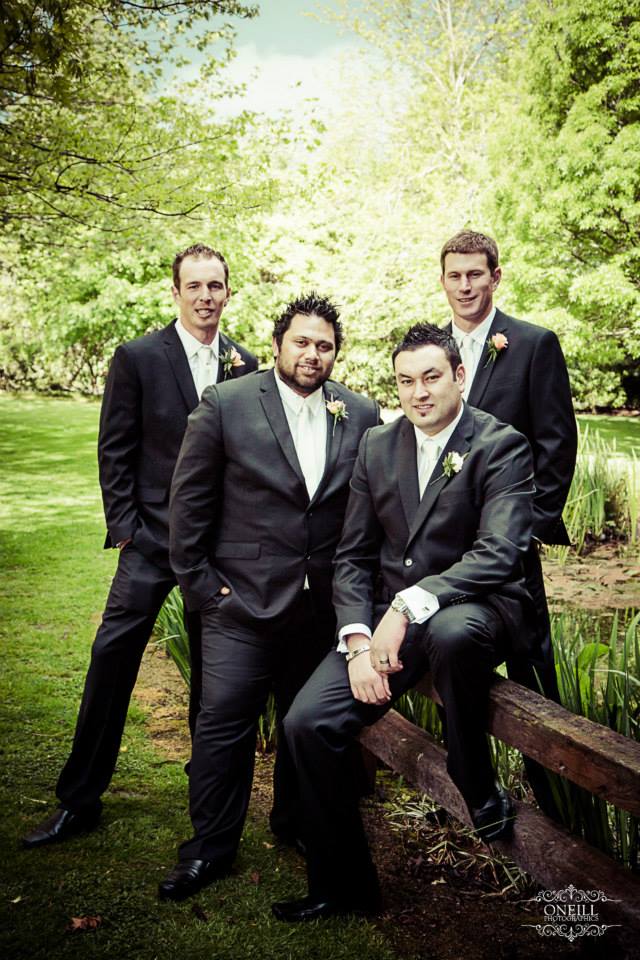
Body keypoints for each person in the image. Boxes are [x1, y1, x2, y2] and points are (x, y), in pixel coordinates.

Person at [273, 323, 535, 922]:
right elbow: (353, 556)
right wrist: (357, 641)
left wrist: (405, 605)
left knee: (450, 630)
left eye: (432, 377)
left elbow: (499, 552)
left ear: (459, 376)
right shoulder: (377, 445)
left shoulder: (502, 445)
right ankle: (343, 886)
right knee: (306, 723)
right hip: (388, 626)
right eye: (406, 381)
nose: (419, 392)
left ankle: (472, 772)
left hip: (476, 605)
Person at [22, 243, 257, 849]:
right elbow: (115, 449)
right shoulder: (138, 357)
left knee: (214, 676)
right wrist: (127, 528)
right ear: (175, 292)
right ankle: (79, 799)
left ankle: (206, 792)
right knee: (111, 660)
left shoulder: (246, 364)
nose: (205, 296)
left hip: (215, 552)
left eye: (215, 285)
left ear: (228, 292)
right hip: (150, 542)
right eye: (194, 285)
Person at [157, 292, 380, 902]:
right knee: (222, 728)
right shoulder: (226, 403)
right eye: (301, 342)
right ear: (277, 343)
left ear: (336, 353)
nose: (312, 354)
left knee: (301, 725)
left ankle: (295, 823)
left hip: (319, 608)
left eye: (324, 345)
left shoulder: (360, 412)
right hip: (239, 606)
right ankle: (208, 849)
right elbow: (187, 506)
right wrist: (207, 590)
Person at [439, 229, 577, 813]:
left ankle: (557, 802)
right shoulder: (430, 350)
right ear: (443, 280)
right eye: (455, 275)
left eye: (476, 273)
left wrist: (525, 529)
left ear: (495, 277)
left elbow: (557, 445)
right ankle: (469, 787)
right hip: (445, 546)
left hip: (511, 546)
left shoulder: (533, 345)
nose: (465, 285)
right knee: (450, 653)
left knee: (532, 665)